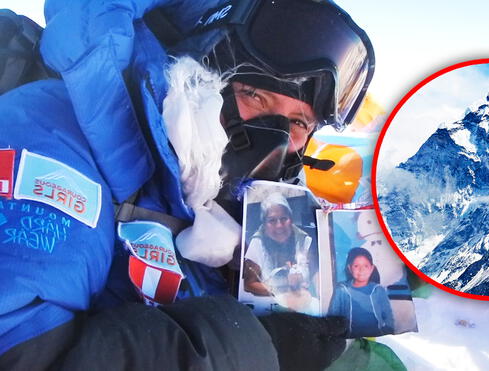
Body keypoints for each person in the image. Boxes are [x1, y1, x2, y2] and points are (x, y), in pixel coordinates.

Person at [0, 0, 375, 370]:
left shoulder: (240, 210)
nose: (273, 139)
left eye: (298, 123)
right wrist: (263, 347)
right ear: (202, 76)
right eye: (255, 95)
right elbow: (21, 354)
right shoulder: (55, 134)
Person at [244, 193, 315, 297]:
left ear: (291, 220)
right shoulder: (257, 244)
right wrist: (282, 289)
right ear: (264, 224)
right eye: (272, 220)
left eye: (284, 219)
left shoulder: (304, 240)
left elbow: (315, 278)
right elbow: (249, 284)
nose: (279, 225)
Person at [328, 248, 394, 338]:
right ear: (349, 268)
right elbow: (333, 316)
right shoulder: (341, 290)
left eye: (366, 266)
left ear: (371, 268)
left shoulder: (378, 290)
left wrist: (388, 334)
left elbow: (388, 316)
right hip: (350, 338)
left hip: (377, 337)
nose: (361, 270)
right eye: (356, 266)